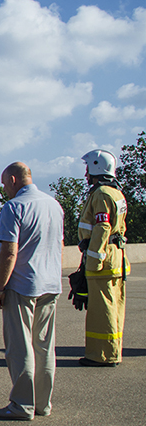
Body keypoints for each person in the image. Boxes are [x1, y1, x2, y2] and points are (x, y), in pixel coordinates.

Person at [0, 162, 64, 420]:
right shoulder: (54, 205)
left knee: (20, 348)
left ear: (13, 179)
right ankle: (42, 403)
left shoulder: (14, 207)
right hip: (51, 284)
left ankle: (22, 405)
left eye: (4, 184)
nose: (4, 189)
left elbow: (9, 252)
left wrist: (0, 288)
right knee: (44, 347)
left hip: (23, 284)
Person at [77, 149, 129, 367]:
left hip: (103, 260)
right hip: (116, 256)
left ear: (97, 167)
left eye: (88, 168)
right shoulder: (117, 193)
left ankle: (101, 355)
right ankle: (112, 351)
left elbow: (102, 227)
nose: (87, 173)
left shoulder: (100, 195)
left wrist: (93, 260)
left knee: (102, 309)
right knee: (115, 306)